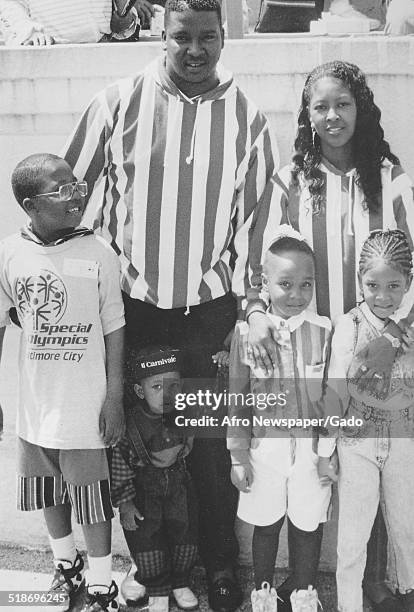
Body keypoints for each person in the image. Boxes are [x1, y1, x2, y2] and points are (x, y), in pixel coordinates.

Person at [63, 0, 277, 609]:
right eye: (182, 37)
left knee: (209, 451)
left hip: (209, 311)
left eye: (208, 37)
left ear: (224, 38)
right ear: (163, 33)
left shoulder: (248, 119)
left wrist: (250, 305)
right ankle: (150, 570)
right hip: (135, 308)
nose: (195, 50)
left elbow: (256, 226)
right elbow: (71, 192)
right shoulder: (117, 102)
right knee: (139, 448)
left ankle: (219, 566)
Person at [245, 61, 414, 611]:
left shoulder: (390, 177)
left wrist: (391, 336)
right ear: (307, 115)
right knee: (324, 464)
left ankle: (378, 583)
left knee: (381, 464)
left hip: (382, 353)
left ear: (360, 108)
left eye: (343, 103)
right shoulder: (289, 181)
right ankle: (305, 583)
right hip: (313, 354)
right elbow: (259, 265)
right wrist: (257, 315)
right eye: (321, 106)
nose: (333, 115)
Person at [0, 153, 125, 612]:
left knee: (92, 501)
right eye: (62, 190)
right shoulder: (11, 253)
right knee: (47, 491)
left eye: (78, 186)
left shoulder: (98, 252)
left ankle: (99, 586)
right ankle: (65, 564)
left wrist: (113, 397)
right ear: (31, 205)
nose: (76, 196)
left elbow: (114, 326)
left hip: (84, 406)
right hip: (36, 405)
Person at [227, 228, 335, 612]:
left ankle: (305, 593)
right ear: (264, 284)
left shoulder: (324, 331)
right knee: (266, 522)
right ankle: (264, 593)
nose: (296, 294)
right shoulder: (246, 335)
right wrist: (238, 454)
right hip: (263, 448)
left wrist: (327, 451)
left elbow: (332, 397)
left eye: (306, 284)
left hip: (309, 449)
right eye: (285, 284)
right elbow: (237, 400)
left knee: (308, 523)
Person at [326, 229, 414, 612]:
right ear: (359, 281)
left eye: (394, 286)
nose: (382, 296)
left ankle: (408, 593)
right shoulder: (350, 325)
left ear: (409, 283)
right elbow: (334, 390)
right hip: (356, 443)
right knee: (352, 538)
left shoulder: (409, 329)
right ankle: (349, 605)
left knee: (407, 529)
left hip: (402, 442)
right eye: (372, 285)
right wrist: (326, 449)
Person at [111, 346, 198, 612]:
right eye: (157, 387)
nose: (167, 394)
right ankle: (157, 588)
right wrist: (125, 504)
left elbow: (189, 445)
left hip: (178, 486)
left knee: (186, 532)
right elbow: (119, 464)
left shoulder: (183, 414)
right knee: (147, 538)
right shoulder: (132, 424)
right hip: (145, 490)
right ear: (140, 392)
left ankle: (180, 582)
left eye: (173, 386)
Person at [0, 0, 155, 45]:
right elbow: (9, 5)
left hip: (101, 55)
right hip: (50, 55)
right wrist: (29, 32)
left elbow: (122, 31)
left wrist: (124, 14)